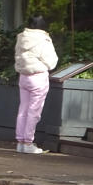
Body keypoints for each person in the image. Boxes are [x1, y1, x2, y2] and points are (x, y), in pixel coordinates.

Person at [14, 15, 58, 154]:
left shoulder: (21, 37)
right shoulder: (43, 39)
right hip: (38, 77)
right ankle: (28, 143)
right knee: (34, 111)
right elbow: (51, 62)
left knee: (23, 109)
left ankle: (20, 142)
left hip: (23, 76)